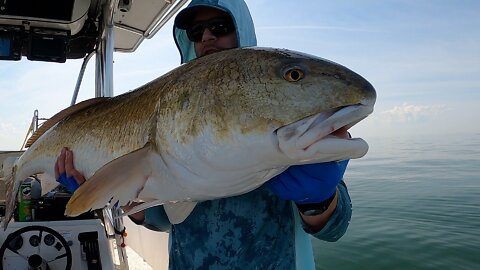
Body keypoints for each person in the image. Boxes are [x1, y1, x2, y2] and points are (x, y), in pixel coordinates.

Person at [55, 0, 353, 269]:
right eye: (197, 32)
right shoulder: (175, 108)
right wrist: (112, 193)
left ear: (242, 32)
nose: (207, 37)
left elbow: (333, 228)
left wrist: (317, 200)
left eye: (220, 27)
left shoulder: (287, 122)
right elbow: (162, 218)